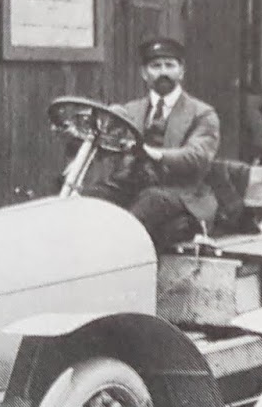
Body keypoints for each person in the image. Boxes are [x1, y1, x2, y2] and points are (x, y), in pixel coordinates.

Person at [83, 36, 221, 249]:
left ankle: (118, 260)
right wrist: (94, 130)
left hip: (181, 192)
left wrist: (156, 153)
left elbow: (198, 156)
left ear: (181, 71)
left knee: (149, 203)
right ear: (144, 73)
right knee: (88, 200)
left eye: (170, 65)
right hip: (131, 186)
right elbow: (104, 145)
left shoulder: (202, 114)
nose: (163, 72)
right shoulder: (131, 111)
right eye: (156, 66)